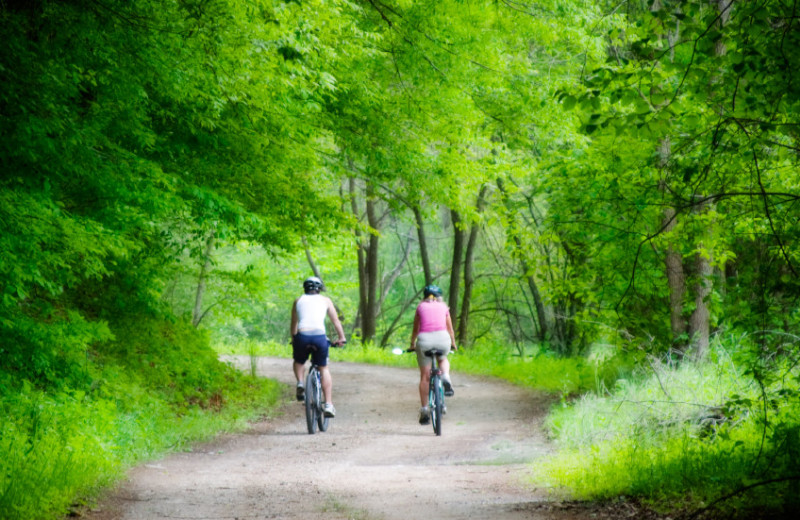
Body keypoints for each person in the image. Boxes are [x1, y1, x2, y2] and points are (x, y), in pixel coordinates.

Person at [290, 276, 346, 418]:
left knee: (299, 361)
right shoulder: (326, 301)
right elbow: (335, 321)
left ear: (305, 288)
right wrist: (342, 338)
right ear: (319, 289)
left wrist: (294, 339)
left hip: (302, 336)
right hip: (320, 338)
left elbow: (294, 323)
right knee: (323, 368)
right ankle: (328, 404)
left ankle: (301, 383)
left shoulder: (298, 301)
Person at [409, 284, 457, 425]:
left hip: (424, 340)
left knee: (425, 376)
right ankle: (446, 376)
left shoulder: (420, 307)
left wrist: (412, 344)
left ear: (424, 297)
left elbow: (415, 330)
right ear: (439, 297)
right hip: (442, 339)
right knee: (443, 359)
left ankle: (424, 409)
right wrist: (453, 343)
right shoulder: (444, 307)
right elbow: (450, 329)